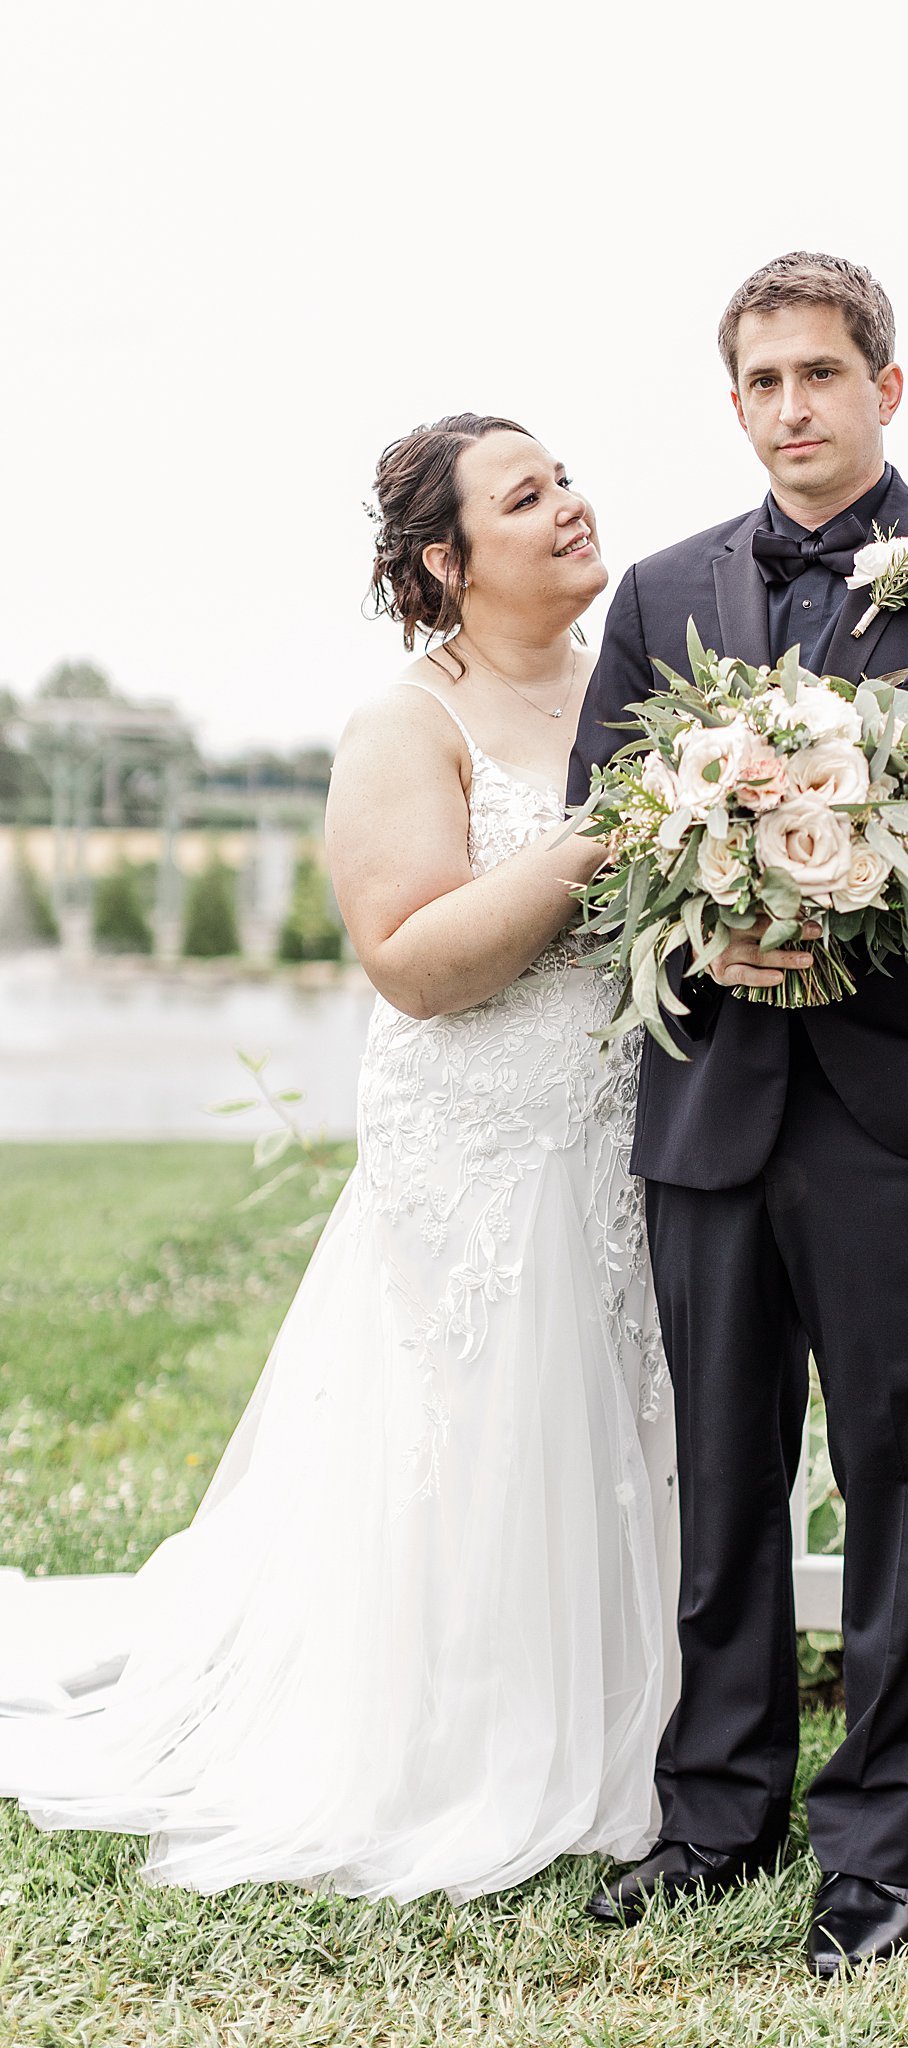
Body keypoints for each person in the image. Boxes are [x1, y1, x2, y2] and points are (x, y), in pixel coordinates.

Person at [0, 413, 678, 1903]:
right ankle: (456, 1733)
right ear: (448, 560)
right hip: (479, 1138)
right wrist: (598, 841)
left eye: (563, 476)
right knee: (470, 1425)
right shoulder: (407, 723)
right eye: (527, 495)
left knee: (603, 1413)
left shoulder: (631, 684)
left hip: (622, 1134)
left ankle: (635, 1716)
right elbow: (413, 962)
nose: (570, 503)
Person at [569, 254, 908, 1975]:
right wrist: (704, 918)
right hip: (710, 1114)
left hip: (897, 1116)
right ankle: (717, 1812)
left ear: (885, 385)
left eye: (819, 373)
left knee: (896, 1480)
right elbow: (611, 842)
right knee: (720, 1484)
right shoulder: (661, 595)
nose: (791, 406)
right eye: (761, 382)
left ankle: (877, 1842)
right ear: (733, 404)